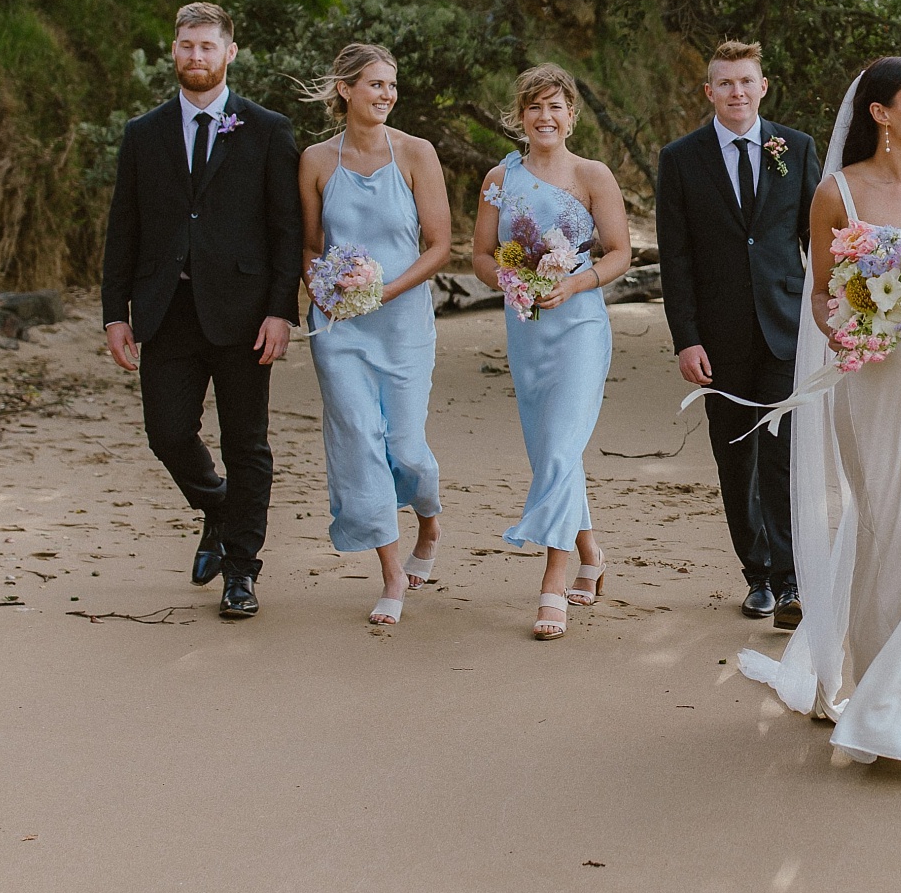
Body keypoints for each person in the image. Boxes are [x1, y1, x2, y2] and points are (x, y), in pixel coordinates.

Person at [734, 58, 901, 796]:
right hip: (879, 390)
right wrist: (856, 328)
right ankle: (879, 699)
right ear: (882, 113)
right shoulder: (838, 193)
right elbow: (823, 294)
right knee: (889, 542)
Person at [102, 2, 300, 620]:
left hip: (245, 316)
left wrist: (280, 312)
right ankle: (218, 506)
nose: (195, 56)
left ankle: (241, 571)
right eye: (186, 45)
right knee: (167, 433)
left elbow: (284, 231)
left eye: (206, 46)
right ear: (173, 50)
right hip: (167, 311)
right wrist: (115, 313)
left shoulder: (266, 129)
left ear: (229, 52)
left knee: (247, 444)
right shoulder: (143, 133)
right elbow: (123, 229)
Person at [657, 41, 819, 627]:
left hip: (786, 328)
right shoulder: (681, 159)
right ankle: (757, 576)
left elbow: (817, 240)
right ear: (709, 92)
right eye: (724, 83)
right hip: (717, 339)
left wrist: (825, 320)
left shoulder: (795, 148)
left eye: (746, 82)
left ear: (763, 86)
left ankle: (790, 577)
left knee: (782, 456)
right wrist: (686, 338)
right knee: (735, 459)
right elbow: (675, 258)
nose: (736, 92)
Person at [472, 64, 632, 639]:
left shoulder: (593, 175)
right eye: (535, 106)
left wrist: (575, 283)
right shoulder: (500, 177)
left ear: (571, 115)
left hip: (580, 325)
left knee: (562, 449)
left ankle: (553, 582)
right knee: (551, 453)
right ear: (520, 116)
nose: (545, 116)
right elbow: (482, 256)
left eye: (556, 106)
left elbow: (618, 254)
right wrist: (509, 282)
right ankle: (592, 555)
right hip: (527, 327)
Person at [296, 43, 454, 626]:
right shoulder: (316, 160)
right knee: (359, 438)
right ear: (345, 90)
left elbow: (439, 245)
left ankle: (429, 519)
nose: (386, 95)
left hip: (402, 320)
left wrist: (384, 291)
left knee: (405, 447)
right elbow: (312, 247)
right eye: (374, 85)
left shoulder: (416, 153)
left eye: (391, 85)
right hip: (339, 326)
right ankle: (390, 572)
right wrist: (324, 289)